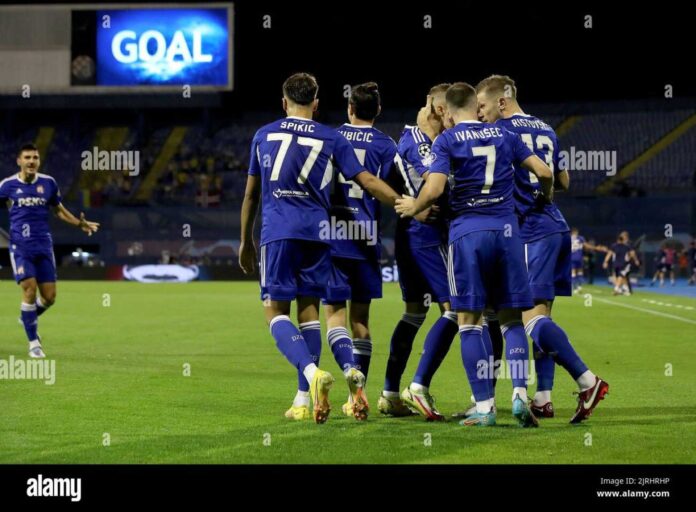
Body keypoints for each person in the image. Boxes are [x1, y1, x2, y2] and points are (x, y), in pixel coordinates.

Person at [238, 73, 400, 424]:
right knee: (309, 313)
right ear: (315, 103)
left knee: (274, 313)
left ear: (284, 102)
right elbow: (368, 181)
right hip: (319, 234)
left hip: (279, 231)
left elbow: (251, 193)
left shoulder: (264, 134)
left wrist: (244, 241)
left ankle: (312, 375)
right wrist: (405, 202)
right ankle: (302, 400)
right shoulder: (331, 136)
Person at [0, 143, 100, 358]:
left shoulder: (48, 183)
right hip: (20, 247)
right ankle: (34, 342)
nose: (31, 161)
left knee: (50, 298)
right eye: (27, 157)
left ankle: (28, 316)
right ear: (19, 161)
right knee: (29, 290)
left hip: (44, 246)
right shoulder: (7, 186)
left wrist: (79, 224)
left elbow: (58, 210)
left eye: (35, 157)